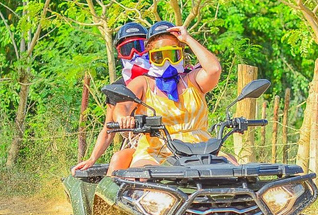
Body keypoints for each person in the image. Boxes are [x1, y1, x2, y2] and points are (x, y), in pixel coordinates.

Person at [113, 21, 221, 168]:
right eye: (159, 56)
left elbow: (214, 69)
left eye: (172, 54)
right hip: (156, 150)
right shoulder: (143, 83)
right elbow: (122, 105)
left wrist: (187, 39)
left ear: (181, 53)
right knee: (143, 177)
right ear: (150, 57)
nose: (167, 62)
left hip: (202, 149)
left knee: (235, 171)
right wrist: (123, 119)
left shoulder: (192, 80)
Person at [72, 22, 150, 174]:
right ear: (119, 53)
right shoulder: (117, 88)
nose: (134, 54)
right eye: (128, 49)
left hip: (170, 142)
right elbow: (108, 129)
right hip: (138, 145)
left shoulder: (161, 80)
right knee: (118, 159)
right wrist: (92, 158)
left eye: (139, 46)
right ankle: (106, 196)